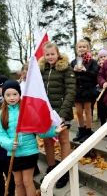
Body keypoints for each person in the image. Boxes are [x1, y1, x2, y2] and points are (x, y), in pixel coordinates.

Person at [0, 79, 67, 196]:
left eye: (15, 94)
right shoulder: (1, 114)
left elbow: (39, 130)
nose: (12, 97)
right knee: (18, 182)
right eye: (8, 95)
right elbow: (0, 134)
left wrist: (54, 131)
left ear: (19, 94)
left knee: (27, 181)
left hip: (29, 152)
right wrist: (8, 143)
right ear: (3, 96)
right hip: (13, 153)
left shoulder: (26, 111)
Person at [38, 42, 76, 188]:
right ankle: (52, 168)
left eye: (52, 54)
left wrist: (63, 113)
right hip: (45, 113)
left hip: (61, 112)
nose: (50, 57)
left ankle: (64, 171)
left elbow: (71, 91)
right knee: (48, 140)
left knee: (64, 140)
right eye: (47, 54)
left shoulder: (66, 69)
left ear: (58, 54)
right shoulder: (41, 70)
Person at [71, 39, 98, 143]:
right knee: (78, 112)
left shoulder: (92, 61)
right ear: (77, 48)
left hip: (87, 89)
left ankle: (88, 131)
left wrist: (85, 71)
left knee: (87, 111)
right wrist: (73, 72)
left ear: (88, 48)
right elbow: (70, 76)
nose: (82, 48)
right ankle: (81, 131)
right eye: (80, 47)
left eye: (84, 47)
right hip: (77, 89)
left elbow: (95, 75)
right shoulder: (73, 62)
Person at [17, 62, 40, 177]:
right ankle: (32, 165)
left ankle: (34, 165)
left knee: (32, 139)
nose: (25, 75)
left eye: (28, 73)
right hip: (21, 114)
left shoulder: (34, 84)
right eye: (24, 72)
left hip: (31, 114)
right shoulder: (20, 83)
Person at [96, 49, 107, 126]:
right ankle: (102, 123)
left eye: (104, 56)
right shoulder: (97, 66)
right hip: (99, 90)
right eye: (101, 57)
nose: (103, 58)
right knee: (101, 109)